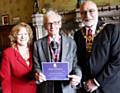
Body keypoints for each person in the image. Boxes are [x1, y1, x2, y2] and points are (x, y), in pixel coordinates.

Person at [74, 0, 120, 93]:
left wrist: (96, 82)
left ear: (97, 12)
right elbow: (77, 60)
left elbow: (117, 60)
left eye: (91, 11)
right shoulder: (77, 35)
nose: (87, 15)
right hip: (86, 88)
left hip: (108, 87)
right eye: (83, 13)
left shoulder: (112, 30)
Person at [33, 10, 82, 93]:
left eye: (55, 23)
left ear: (60, 24)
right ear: (45, 26)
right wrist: (38, 74)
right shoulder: (38, 44)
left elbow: (75, 65)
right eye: (49, 23)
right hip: (47, 87)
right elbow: (36, 66)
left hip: (66, 87)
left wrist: (78, 76)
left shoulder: (71, 43)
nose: (52, 26)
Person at [0, 22, 36, 93]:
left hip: (36, 90)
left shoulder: (35, 49)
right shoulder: (8, 53)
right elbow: (5, 80)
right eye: (20, 34)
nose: (23, 37)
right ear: (15, 36)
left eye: (25, 34)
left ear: (29, 36)